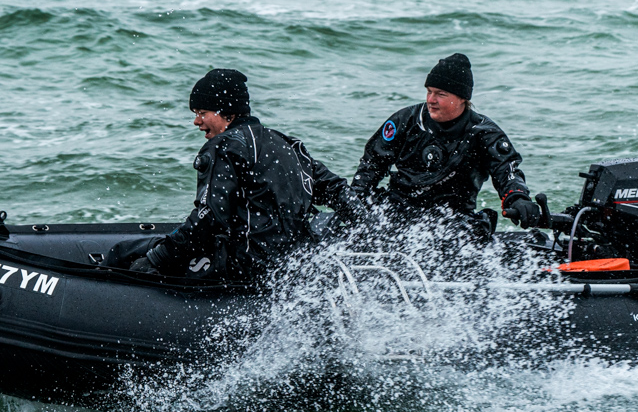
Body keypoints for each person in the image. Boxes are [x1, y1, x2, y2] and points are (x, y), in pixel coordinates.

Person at [130, 68, 360, 280]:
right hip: (296, 263)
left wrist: (157, 258)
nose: (196, 121)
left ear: (226, 114)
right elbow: (337, 190)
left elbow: (209, 217)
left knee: (128, 252)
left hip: (248, 266)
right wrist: (364, 228)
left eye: (202, 113)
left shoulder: (224, 146)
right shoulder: (286, 144)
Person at [351, 53, 541, 232]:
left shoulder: (484, 133)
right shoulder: (406, 120)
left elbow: (507, 171)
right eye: (429, 92)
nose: (431, 100)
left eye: (440, 94)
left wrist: (517, 197)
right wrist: (354, 205)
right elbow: (371, 164)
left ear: (462, 98)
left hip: (452, 220)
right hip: (397, 211)